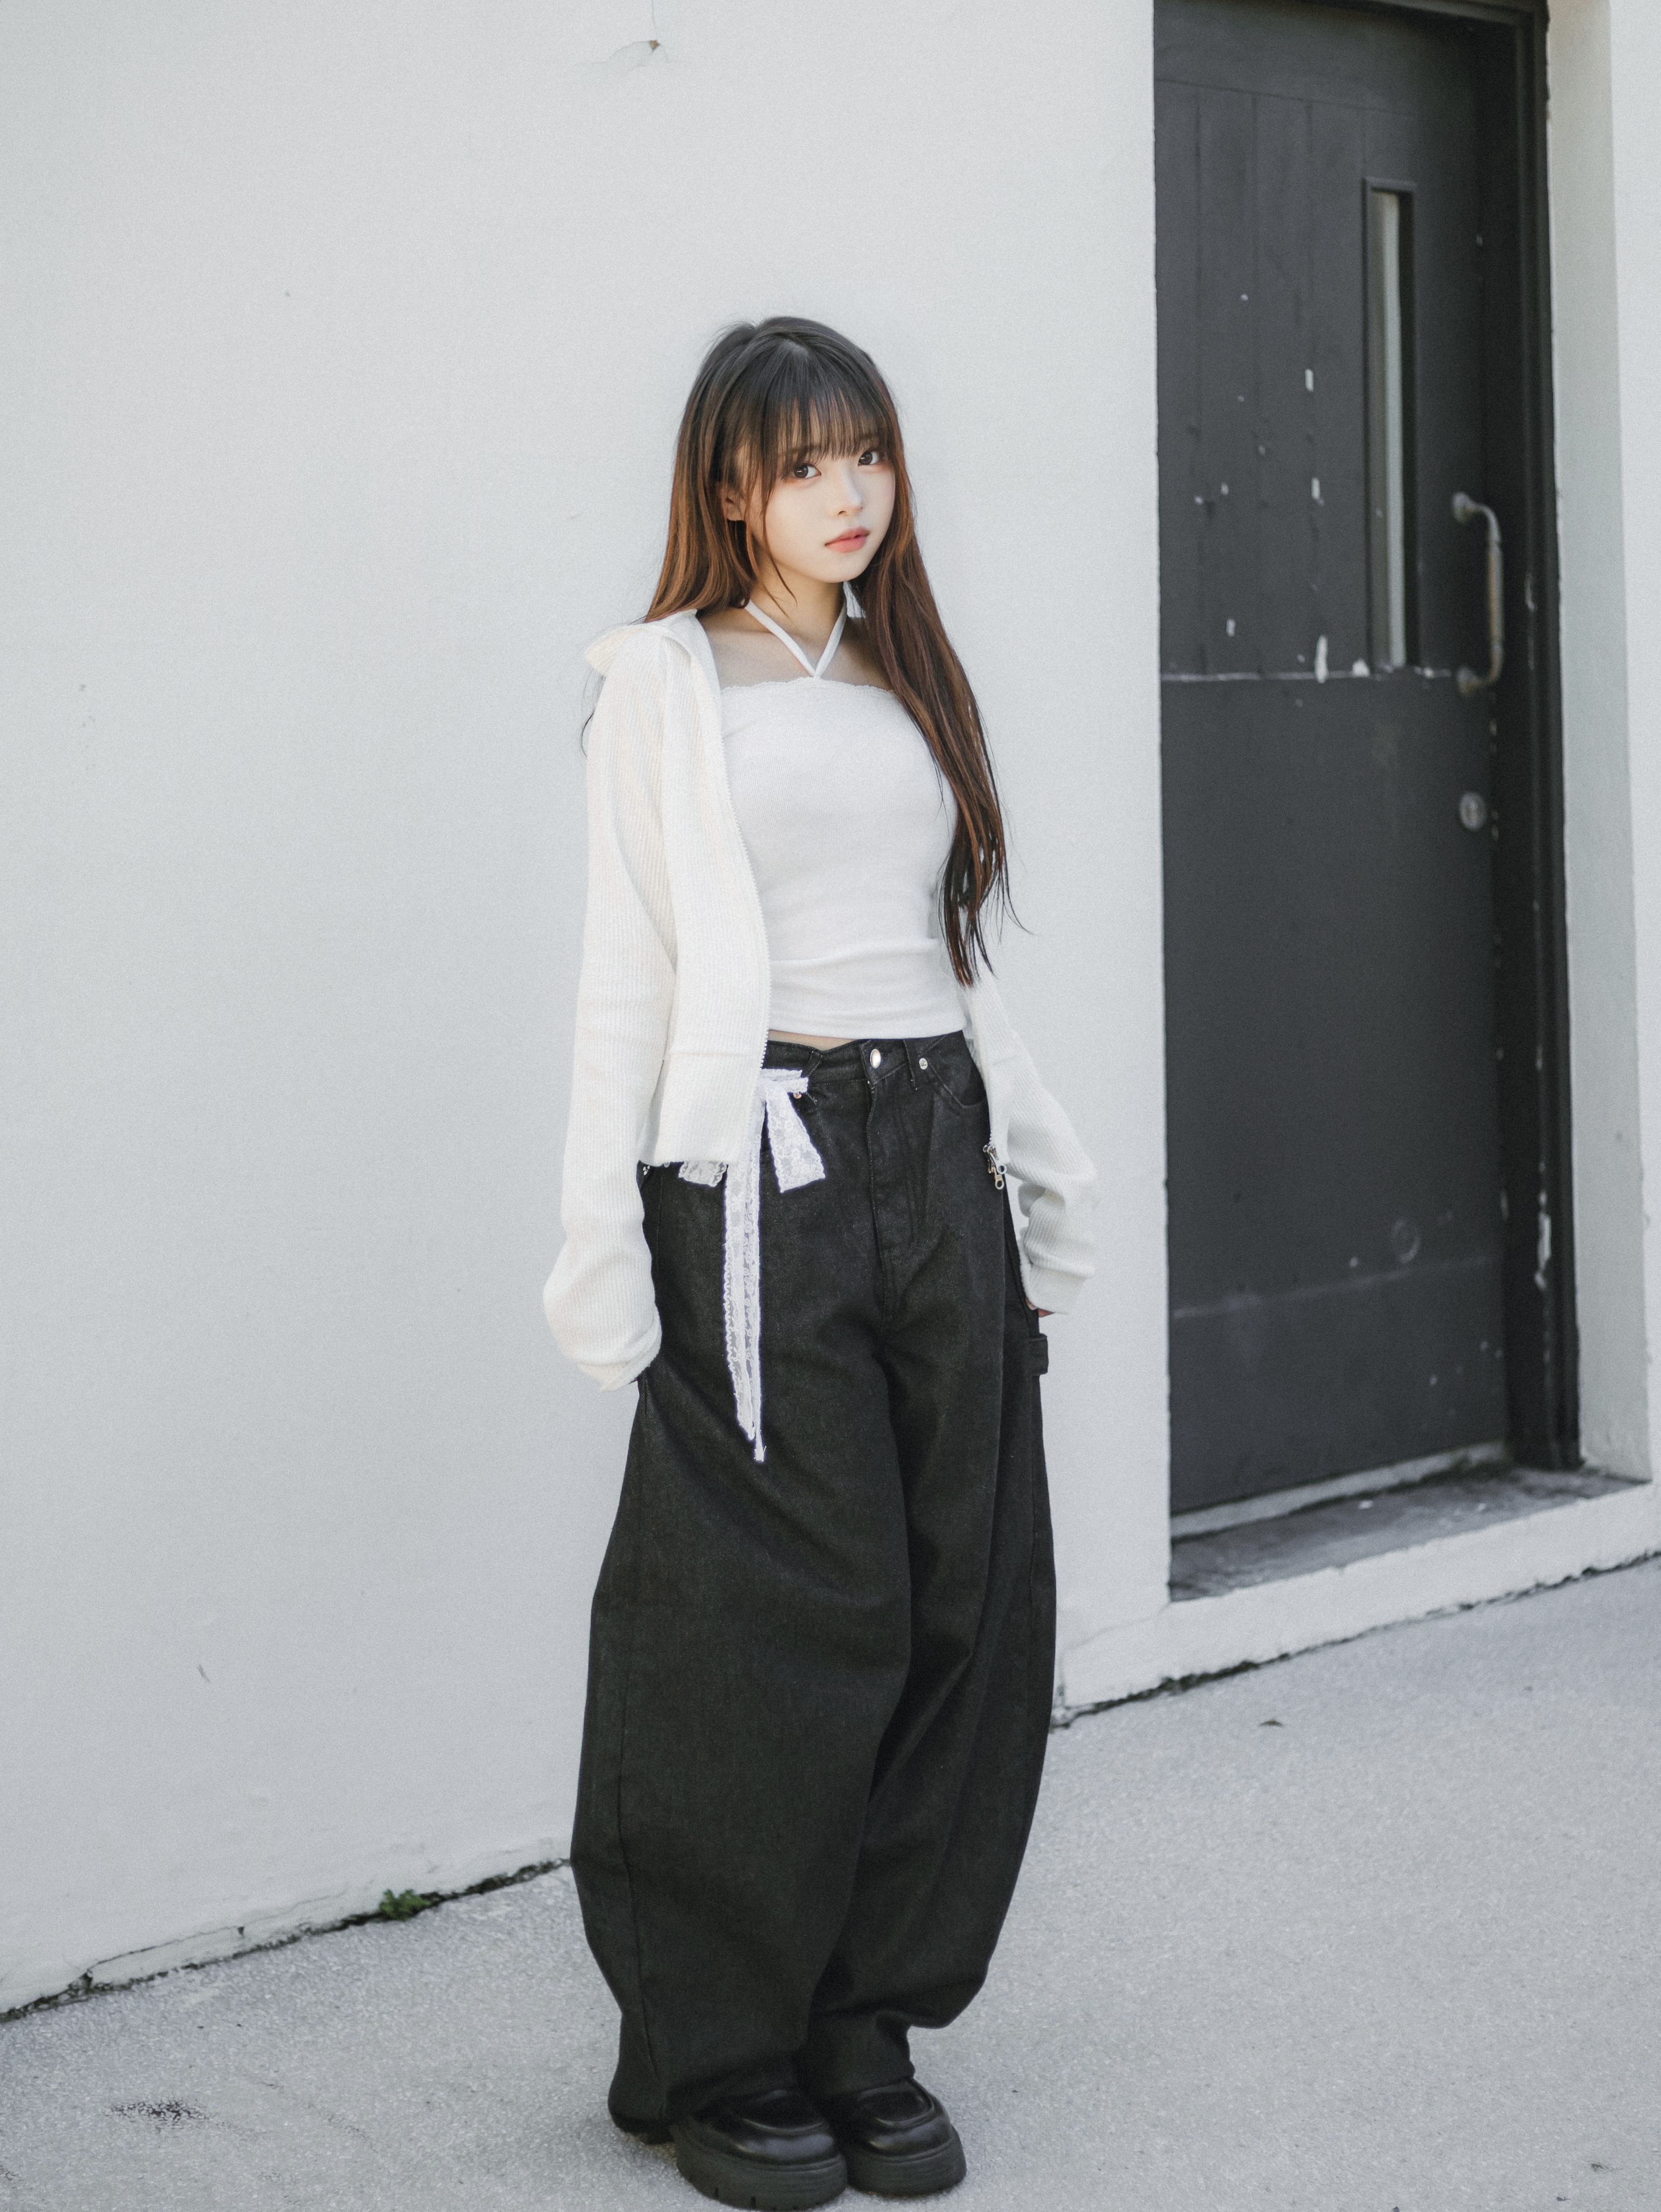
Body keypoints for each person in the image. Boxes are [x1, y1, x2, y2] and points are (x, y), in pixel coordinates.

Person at [545, 315, 1095, 2208]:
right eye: (801, 464)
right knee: (775, 1614)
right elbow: (628, 976)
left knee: (963, 1595)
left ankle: (867, 2021)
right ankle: (718, 2046)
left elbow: (947, 953)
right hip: (763, 1165)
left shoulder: (899, 665)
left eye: (866, 453)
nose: (847, 493)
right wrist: (603, 1240)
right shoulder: (664, 682)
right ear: (729, 487)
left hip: (936, 1148)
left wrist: (1035, 1171)